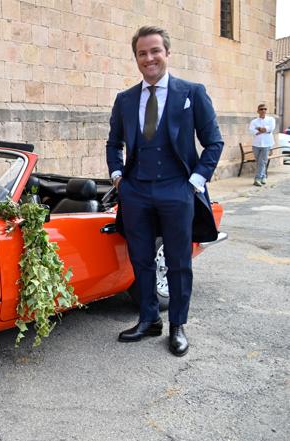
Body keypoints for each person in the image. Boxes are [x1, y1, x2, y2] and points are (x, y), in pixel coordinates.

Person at [105, 26, 223, 356]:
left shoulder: (192, 92)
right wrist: (117, 177)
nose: (149, 58)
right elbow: (113, 143)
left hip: (178, 189)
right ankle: (148, 320)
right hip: (136, 191)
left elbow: (214, 142)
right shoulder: (125, 99)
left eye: (155, 51)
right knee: (140, 259)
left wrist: (194, 183)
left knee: (178, 262)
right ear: (137, 59)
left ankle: (178, 326)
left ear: (167, 53)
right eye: (142, 53)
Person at [248, 104, 275, 186]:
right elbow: (251, 130)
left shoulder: (271, 119)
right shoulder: (254, 121)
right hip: (256, 144)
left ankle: (257, 179)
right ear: (258, 111)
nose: (263, 110)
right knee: (259, 162)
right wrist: (263, 130)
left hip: (267, 144)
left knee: (262, 162)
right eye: (261, 109)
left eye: (265, 109)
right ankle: (264, 177)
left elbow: (271, 128)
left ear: (266, 111)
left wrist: (259, 129)